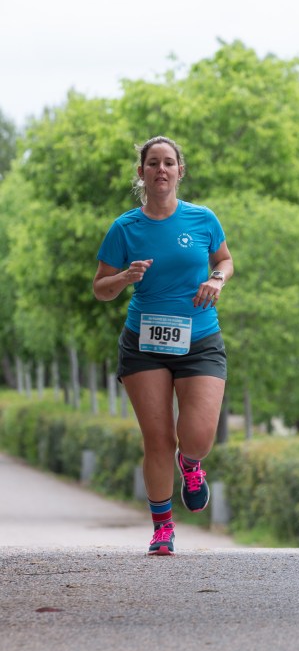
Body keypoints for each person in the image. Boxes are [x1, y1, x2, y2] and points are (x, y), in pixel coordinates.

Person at [93, 136, 233, 556]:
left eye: (168, 163)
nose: (160, 170)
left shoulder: (203, 219)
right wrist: (123, 279)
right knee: (157, 440)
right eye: (152, 163)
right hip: (145, 342)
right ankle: (162, 527)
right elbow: (101, 288)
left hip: (200, 338)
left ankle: (191, 465)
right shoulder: (124, 228)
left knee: (198, 436)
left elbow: (224, 259)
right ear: (141, 173)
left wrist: (217, 280)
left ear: (179, 171)